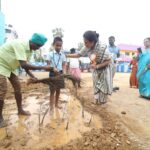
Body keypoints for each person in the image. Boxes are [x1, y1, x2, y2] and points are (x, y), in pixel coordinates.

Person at [0, 33, 55, 127]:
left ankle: (20, 110)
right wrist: (45, 67)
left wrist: (32, 76)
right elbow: (24, 65)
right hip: (1, 64)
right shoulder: (19, 44)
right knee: (2, 90)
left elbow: (26, 66)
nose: (38, 48)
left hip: (10, 68)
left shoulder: (30, 51)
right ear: (32, 42)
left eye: (40, 46)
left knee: (18, 88)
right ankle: (0, 118)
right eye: (37, 45)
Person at [66, 31, 113, 104]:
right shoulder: (87, 47)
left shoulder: (102, 47)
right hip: (95, 68)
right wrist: (67, 55)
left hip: (105, 67)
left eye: (86, 42)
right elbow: (78, 54)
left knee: (103, 86)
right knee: (96, 84)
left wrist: (97, 66)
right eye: (84, 42)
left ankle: (103, 103)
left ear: (92, 42)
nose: (85, 44)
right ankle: (97, 101)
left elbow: (108, 61)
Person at [47, 37, 66, 110]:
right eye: (57, 45)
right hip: (52, 73)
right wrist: (52, 68)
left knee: (58, 90)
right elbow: (48, 65)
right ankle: (51, 106)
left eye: (60, 46)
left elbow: (64, 64)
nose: (58, 47)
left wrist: (63, 71)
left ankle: (56, 104)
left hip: (60, 74)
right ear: (53, 45)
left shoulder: (63, 55)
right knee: (52, 91)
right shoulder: (50, 54)